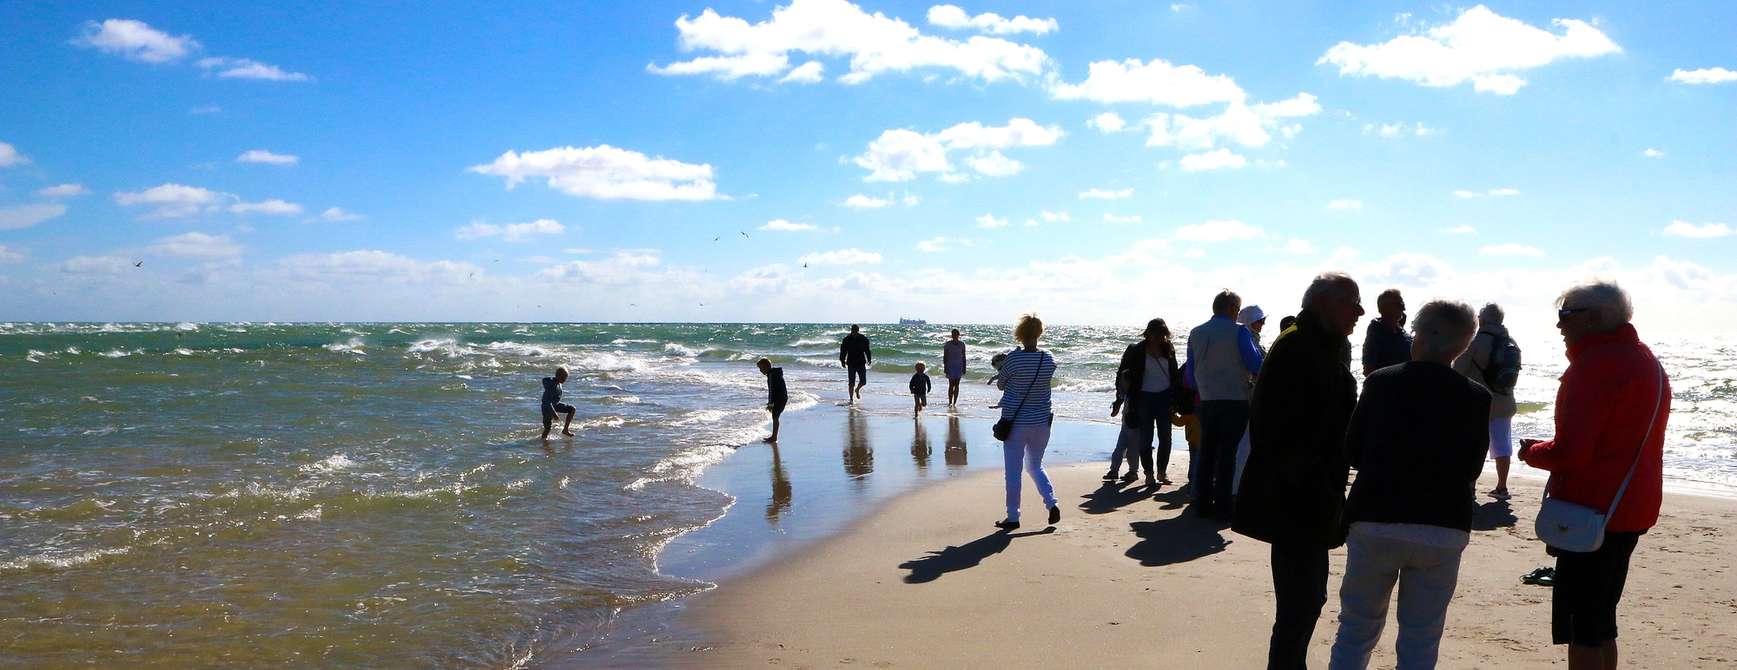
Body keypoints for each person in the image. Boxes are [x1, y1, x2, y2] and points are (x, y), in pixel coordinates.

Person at [1329, 300, 1491, 670]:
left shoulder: (1382, 382)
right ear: (1462, 345)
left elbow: (1352, 450)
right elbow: (1471, 467)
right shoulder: (1476, 397)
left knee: (1356, 627)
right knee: (1421, 634)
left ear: (1417, 335)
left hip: (1376, 515)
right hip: (1443, 522)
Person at [1518, 281, 1669, 670]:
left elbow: (1572, 454)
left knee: (1583, 625)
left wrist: (1531, 452)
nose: (1559, 325)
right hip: (1631, 504)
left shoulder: (1595, 365)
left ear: (1596, 319)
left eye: (1566, 315)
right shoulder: (1644, 359)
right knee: (1601, 620)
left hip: (1593, 510)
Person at [1233, 272, 1364, 670]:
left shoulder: (1325, 345)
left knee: (1306, 599)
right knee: (1300, 600)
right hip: (1296, 497)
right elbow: (1276, 426)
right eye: (1351, 302)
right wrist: (1312, 482)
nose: (1359, 311)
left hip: (1310, 493)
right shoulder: (1298, 346)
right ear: (1323, 303)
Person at [1185, 290, 1263, 517]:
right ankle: (1222, 506)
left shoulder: (1196, 333)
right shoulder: (1239, 332)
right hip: (1234, 399)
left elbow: (1189, 376)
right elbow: (1255, 364)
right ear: (1231, 308)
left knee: (1207, 451)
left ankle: (1201, 502)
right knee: (1227, 454)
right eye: (1237, 310)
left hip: (1207, 400)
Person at [993, 314, 1060, 530]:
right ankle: (1051, 504)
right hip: (1042, 421)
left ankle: (1013, 517)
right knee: (1035, 466)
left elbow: (1001, 385)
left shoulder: (1013, 358)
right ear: (1040, 333)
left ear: (1020, 334)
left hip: (1016, 423)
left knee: (1013, 472)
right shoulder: (1048, 357)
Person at [1452, 303, 1522, 499]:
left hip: (1479, 402)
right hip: (1505, 401)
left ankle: (1470, 487)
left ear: (1481, 319)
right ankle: (1502, 487)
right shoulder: (1512, 342)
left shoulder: (1475, 341)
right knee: (1502, 445)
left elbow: (1458, 370)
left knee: (1473, 445)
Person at [1109, 318, 1179, 486]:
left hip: (1164, 397)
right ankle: (1149, 474)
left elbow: (1174, 374)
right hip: (1143, 398)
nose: (1160, 339)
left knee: (1166, 438)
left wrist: (1175, 400)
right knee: (1146, 439)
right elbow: (1122, 375)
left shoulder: (1168, 348)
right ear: (1149, 333)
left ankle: (1162, 472)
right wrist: (1119, 400)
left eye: (1163, 335)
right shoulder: (1136, 350)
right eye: (1157, 335)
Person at [1233, 304, 1268, 494]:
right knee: (1244, 445)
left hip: (1242, 396)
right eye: (1260, 321)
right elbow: (1256, 366)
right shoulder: (1248, 338)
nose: (1262, 324)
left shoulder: (1250, 338)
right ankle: (1237, 489)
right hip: (1247, 397)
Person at [1362, 289, 1412, 376]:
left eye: (1403, 305)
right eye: (1400, 305)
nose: (1404, 309)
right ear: (1385, 307)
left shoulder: (1400, 332)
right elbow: (1368, 370)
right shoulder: (1375, 334)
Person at [540, 367, 577, 441]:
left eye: (565, 378)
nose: (564, 380)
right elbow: (547, 402)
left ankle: (565, 430)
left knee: (572, 409)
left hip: (555, 405)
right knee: (547, 428)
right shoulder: (552, 385)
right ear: (557, 376)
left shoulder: (558, 383)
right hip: (547, 408)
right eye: (563, 377)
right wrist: (554, 413)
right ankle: (543, 442)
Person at [757, 358, 788, 443]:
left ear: (766, 366)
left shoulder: (771, 375)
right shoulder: (776, 373)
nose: (760, 370)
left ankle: (774, 437)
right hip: (783, 397)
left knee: (775, 417)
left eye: (761, 368)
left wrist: (770, 403)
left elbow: (771, 391)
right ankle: (774, 436)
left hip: (778, 398)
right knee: (775, 417)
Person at [840, 324, 872, 404]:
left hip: (861, 362)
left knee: (863, 381)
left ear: (858, 331)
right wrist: (842, 361)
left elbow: (867, 350)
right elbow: (843, 351)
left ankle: (857, 389)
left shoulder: (863, 339)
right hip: (851, 363)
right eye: (853, 331)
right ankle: (851, 399)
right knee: (851, 383)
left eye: (856, 332)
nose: (854, 333)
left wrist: (869, 359)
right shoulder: (847, 339)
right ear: (851, 331)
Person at [943, 329, 967, 407]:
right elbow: (945, 356)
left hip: (959, 366)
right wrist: (945, 367)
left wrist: (964, 367)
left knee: (957, 385)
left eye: (955, 334)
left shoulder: (962, 344)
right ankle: (950, 401)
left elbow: (964, 357)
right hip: (950, 366)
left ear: (958, 335)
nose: (954, 335)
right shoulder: (948, 344)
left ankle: (954, 402)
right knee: (951, 385)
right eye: (953, 334)